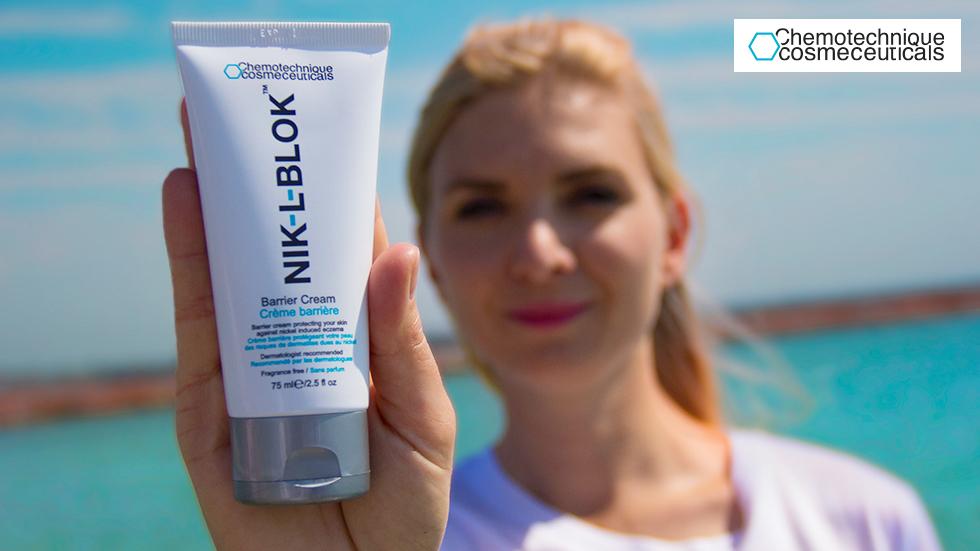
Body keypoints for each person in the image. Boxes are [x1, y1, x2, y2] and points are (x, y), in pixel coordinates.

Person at [162, 18, 941, 551]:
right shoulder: (399, 539)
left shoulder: (868, 522)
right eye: (482, 206)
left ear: (674, 235)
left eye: (591, 194)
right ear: (431, 256)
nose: (538, 253)